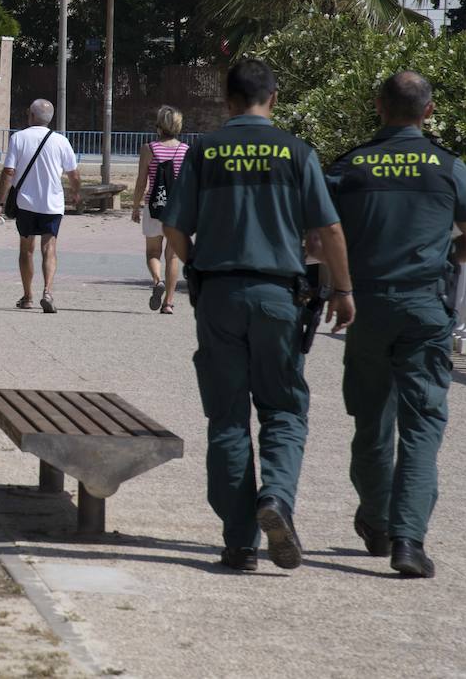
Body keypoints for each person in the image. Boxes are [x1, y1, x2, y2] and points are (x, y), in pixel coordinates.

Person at [162, 58, 354, 572]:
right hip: (279, 297)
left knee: (227, 418)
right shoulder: (297, 151)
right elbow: (329, 230)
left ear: (227, 101)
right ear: (273, 98)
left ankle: (239, 543)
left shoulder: (202, 150)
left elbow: (174, 229)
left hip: (219, 295)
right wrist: (343, 290)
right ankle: (276, 498)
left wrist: (198, 266)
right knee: (284, 410)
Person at [322, 71, 466, 579]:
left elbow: (322, 234)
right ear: (428, 112)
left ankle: (377, 521)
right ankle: (409, 539)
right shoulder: (450, 167)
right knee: (423, 425)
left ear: (379, 107)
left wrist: (338, 287)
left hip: (366, 306)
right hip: (425, 307)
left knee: (371, 420)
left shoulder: (351, 166)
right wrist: (451, 254)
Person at [0, 98, 81, 313]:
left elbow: (9, 172)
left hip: (26, 204)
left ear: (31, 115)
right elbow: (73, 173)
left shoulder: (18, 138)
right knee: (49, 248)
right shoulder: (61, 141)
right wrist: (76, 192)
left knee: (27, 250)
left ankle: (28, 295)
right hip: (53, 204)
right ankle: (47, 291)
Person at [131, 106, 189, 314]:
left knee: (152, 252)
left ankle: (157, 281)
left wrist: (136, 207)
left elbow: (140, 182)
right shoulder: (185, 150)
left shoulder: (149, 148)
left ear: (159, 125)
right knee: (172, 256)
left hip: (154, 205)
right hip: (178, 209)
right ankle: (168, 303)